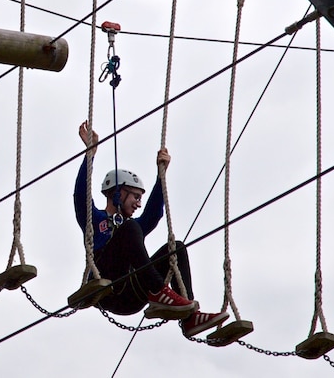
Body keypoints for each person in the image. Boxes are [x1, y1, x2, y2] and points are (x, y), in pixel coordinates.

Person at [73, 120, 229, 338]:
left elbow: (153, 215)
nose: (138, 203)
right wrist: (90, 155)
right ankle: (159, 291)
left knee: (176, 247)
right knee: (129, 228)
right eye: (135, 196)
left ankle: (190, 317)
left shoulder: (132, 228)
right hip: (108, 287)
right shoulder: (95, 219)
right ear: (117, 194)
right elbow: (81, 196)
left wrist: (160, 176)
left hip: (131, 293)